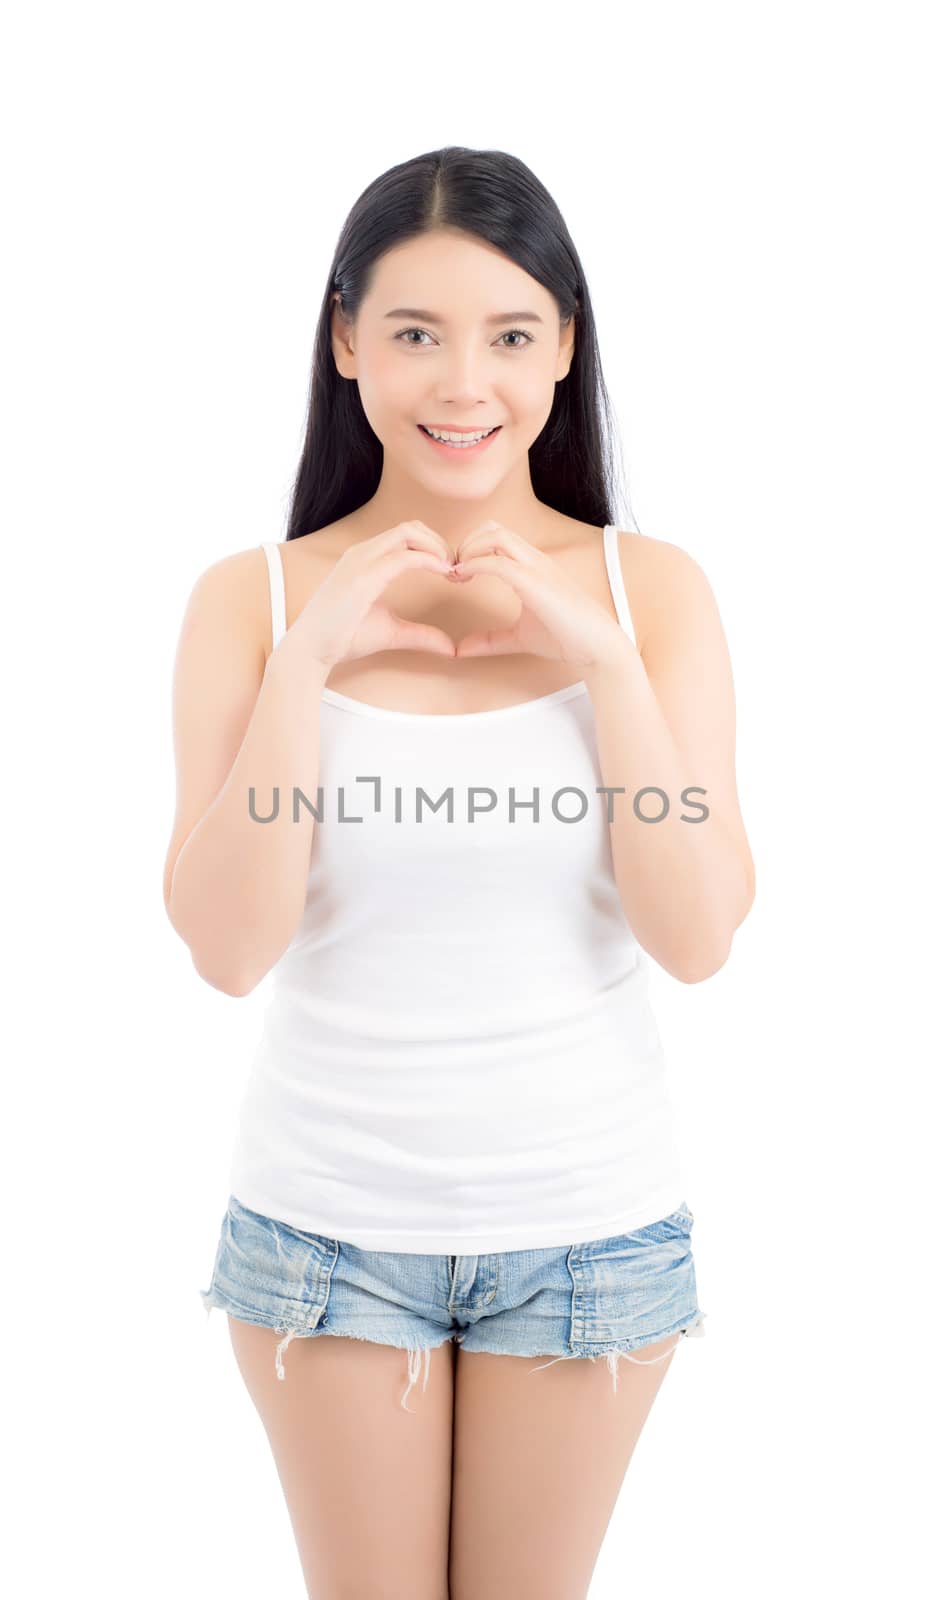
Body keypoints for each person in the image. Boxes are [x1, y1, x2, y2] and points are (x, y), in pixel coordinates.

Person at [164, 145, 755, 1600]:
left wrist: (600, 660)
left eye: (508, 335)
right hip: (323, 1233)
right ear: (346, 339)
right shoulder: (248, 600)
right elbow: (229, 949)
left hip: (587, 1236)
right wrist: (312, 655)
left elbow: (697, 936)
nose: (461, 384)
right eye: (416, 334)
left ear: (563, 347)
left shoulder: (650, 592)